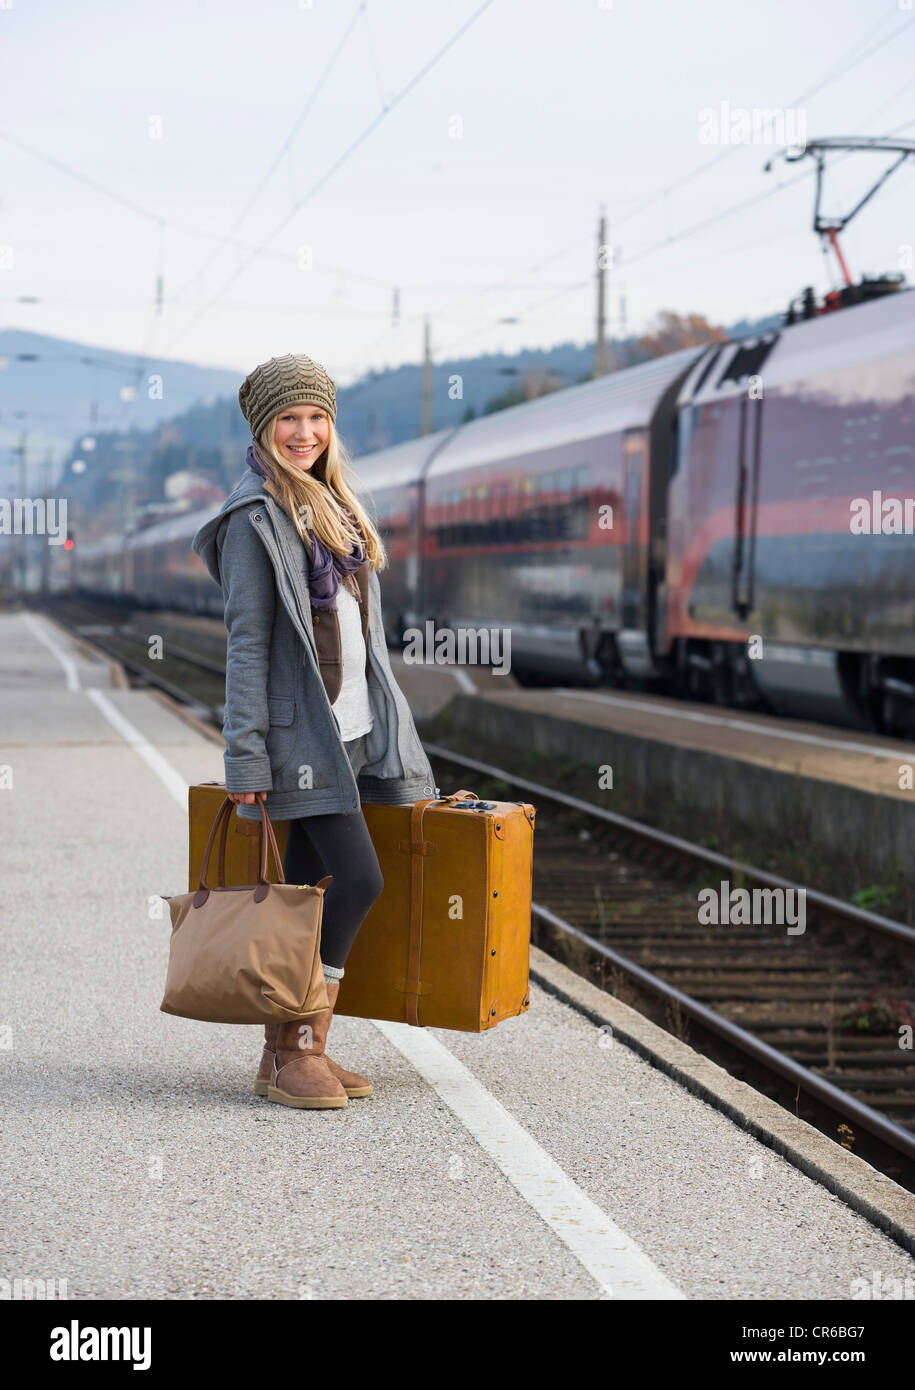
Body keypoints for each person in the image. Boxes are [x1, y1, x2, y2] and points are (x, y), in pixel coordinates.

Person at [191, 353, 439, 1111]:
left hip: (350, 728)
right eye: (288, 419)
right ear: (264, 430)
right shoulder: (253, 522)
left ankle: (284, 1055)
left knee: (301, 888)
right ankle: (303, 1044)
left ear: (331, 425)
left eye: (316, 417)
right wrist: (246, 757)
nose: (304, 432)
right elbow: (246, 646)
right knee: (359, 879)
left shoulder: (333, 508)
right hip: (300, 739)